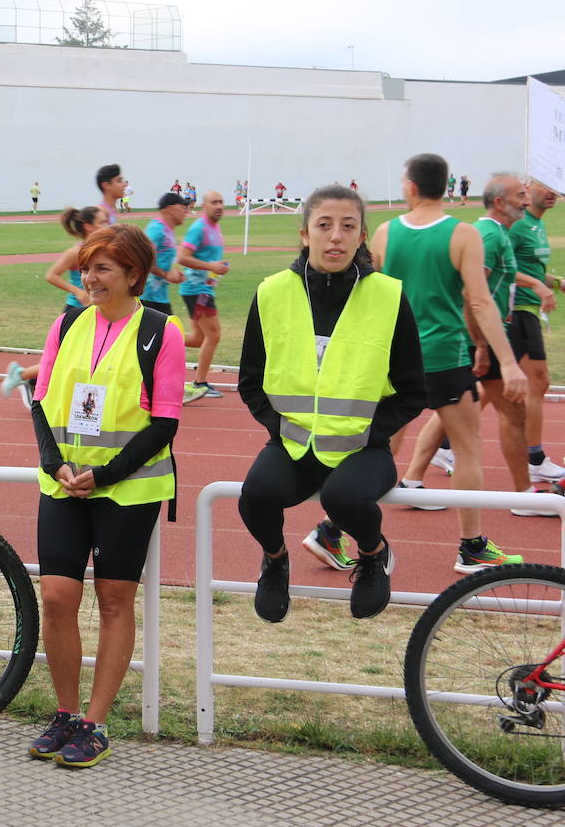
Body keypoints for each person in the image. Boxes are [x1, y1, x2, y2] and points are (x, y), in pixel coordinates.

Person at [24, 223, 184, 767]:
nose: (88, 278)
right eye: (86, 267)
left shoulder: (162, 331)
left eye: (101, 269)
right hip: (64, 484)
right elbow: (41, 400)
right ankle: (65, 713)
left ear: (133, 275)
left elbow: (165, 422)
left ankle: (94, 723)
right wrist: (56, 463)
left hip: (127, 489)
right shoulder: (67, 322)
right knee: (56, 598)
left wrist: (108, 473)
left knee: (114, 600)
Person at [239, 185, 425, 619]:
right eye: (324, 226)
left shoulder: (388, 296)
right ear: (305, 234)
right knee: (255, 495)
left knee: (341, 498)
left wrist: (371, 433)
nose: (335, 236)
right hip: (293, 445)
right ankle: (275, 562)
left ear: (363, 236)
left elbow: (413, 391)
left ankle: (374, 555)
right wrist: (280, 428)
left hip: (363, 449)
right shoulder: (271, 292)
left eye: (348, 226)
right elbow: (250, 380)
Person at [371, 153, 525, 572]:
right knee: (468, 448)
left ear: (411, 186)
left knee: (381, 447)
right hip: (444, 358)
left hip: (396, 361)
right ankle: (471, 546)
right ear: (446, 185)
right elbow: (479, 301)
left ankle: (331, 529)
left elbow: (367, 300)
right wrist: (507, 363)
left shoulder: (385, 233)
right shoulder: (463, 234)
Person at [408, 174, 560, 512]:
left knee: (454, 407)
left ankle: (411, 480)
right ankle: (522, 495)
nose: (525, 201)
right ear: (498, 203)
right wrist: (480, 342)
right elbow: (470, 293)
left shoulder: (498, 233)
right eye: (520, 195)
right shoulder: (490, 236)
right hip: (480, 335)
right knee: (509, 409)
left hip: (480, 335)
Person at [2, 205, 109, 405]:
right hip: (76, 312)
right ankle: (22, 374)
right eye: (102, 222)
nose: (107, 225)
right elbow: (51, 275)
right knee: (63, 360)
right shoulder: (76, 252)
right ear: (88, 226)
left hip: (95, 312)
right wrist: (78, 292)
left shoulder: (102, 251)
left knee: (82, 358)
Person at [509, 179, 563, 479]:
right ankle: (535, 460)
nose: (551, 191)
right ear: (528, 187)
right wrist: (539, 286)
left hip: (527, 311)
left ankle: (445, 442)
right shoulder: (518, 225)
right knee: (535, 383)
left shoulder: (537, 225)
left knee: (488, 388)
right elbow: (503, 264)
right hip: (517, 310)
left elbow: (530, 266)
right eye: (545, 185)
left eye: (555, 186)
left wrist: (555, 282)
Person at [176, 190, 230, 399]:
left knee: (199, 338)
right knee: (214, 335)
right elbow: (182, 257)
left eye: (221, 202)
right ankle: (199, 383)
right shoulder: (199, 228)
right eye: (214, 202)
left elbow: (208, 261)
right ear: (204, 206)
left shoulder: (215, 228)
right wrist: (211, 266)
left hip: (202, 288)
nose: (218, 206)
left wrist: (217, 268)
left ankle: (164, 340)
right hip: (196, 289)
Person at [140, 193, 187, 317]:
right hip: (147, 298)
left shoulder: (168, 230)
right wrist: (165, 274)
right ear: (170, 208)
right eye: (182, 207)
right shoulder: (157, 229)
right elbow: (143, 257)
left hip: (159, 297)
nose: (186, 211)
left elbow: (160, 259)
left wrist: (173, 274)